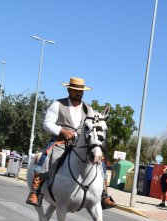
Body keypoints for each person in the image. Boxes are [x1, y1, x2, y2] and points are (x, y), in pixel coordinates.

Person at [26, 77, 115, 207]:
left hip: (80, 144)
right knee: (44, 157)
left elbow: (93, 125)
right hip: (59, 142)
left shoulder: (88, 108)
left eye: (81, 91)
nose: (79, 93)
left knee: (99, 160)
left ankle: (104, 194)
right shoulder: (58, 104)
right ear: (69, 89)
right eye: (75, 90)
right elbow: (47, 123)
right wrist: (61, 130)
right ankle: (35, 190)